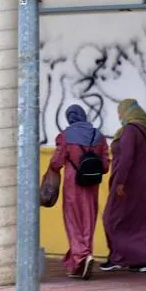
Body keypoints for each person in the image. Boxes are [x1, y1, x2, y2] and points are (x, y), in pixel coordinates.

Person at [100, 99, 146, 273]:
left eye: (120, 111)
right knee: (143, 221)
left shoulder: (129, 131)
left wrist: (120, 182)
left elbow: (127, 158)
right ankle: (143, 261)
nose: (119, 115)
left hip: (129, 183)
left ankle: (118, 257)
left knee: (112, 218)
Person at [50, 104, 110, 279]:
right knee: (88, 221)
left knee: (73, 221)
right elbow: (105, 166)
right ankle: (83, 257)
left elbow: (56, 162)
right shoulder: (98, 136)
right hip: (92, 184)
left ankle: (82, 256)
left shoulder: (66, 136)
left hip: (73, 184)